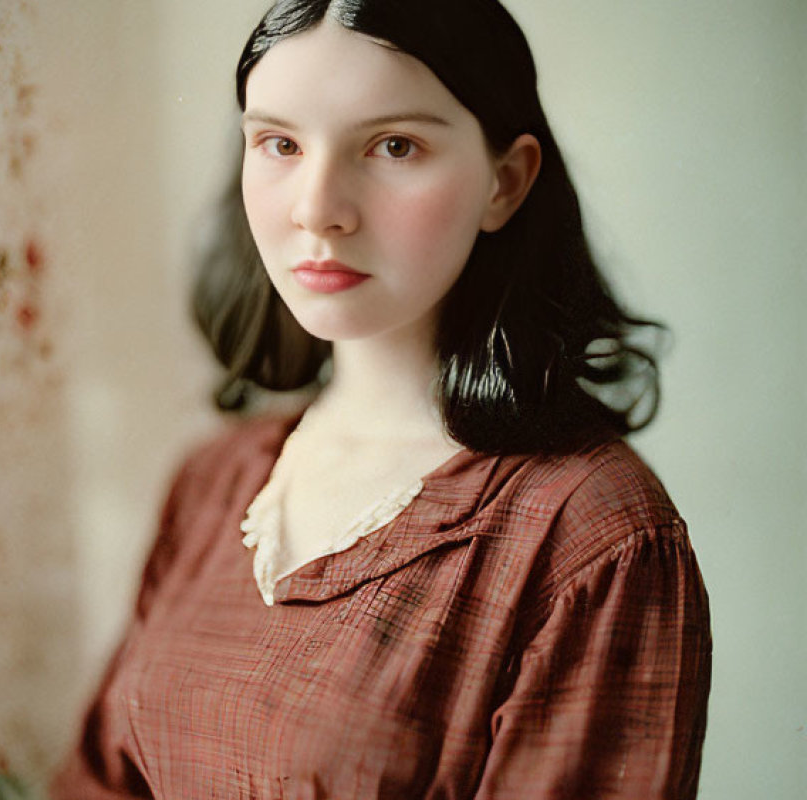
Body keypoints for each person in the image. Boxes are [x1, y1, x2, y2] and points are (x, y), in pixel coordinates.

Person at [52, 1, 711, 798]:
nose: (317, 207)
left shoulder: (591, 533)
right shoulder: (214, 481)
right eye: (280, 143)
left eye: (395, 145)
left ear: (506, 182)